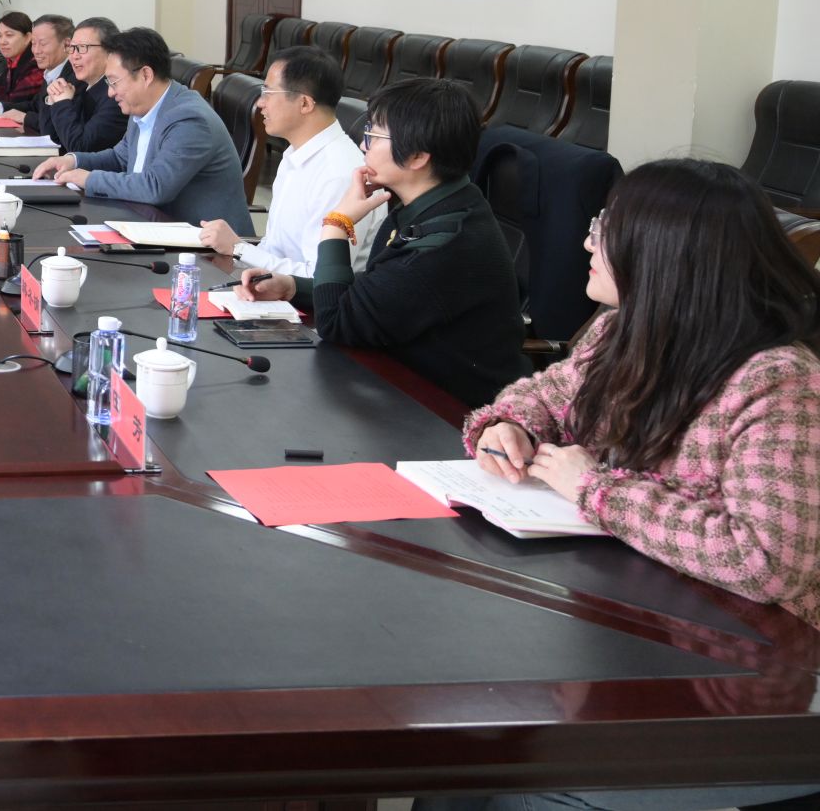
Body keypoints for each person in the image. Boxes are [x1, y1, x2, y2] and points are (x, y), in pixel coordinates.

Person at [413, 173, 820, 811]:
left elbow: (766, 561)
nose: (587, 242)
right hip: (633, 616)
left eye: (604, 229)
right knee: (464, 736)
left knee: (512, 772)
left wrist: (598, 491)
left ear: (663, 256)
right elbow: (542, 393)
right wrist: (509, 426)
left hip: (746, 680)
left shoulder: (777, 382)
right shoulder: (624, 331)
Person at [240, 77, 527, 407]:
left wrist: (336, 225)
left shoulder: (440, 246)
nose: (364, 147)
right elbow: (378, 287)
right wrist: (293, 287)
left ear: (417, 156)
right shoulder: (445, 201)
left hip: (447, 411)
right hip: (398, 380)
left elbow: (336, 323)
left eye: (373, 136)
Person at [33, 27, 252, 233]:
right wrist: (73, 161)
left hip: (207, 246)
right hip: (154, 225)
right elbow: (120, 158)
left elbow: (155, 187)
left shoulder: (190, 120)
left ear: (146, 75)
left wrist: (89, 179)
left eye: (114, 82)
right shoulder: (143, 107)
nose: (110, 93)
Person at [201, 47, 378, 282]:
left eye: (268, 93)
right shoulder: (296, 152)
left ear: (304, 103)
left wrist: (239, 248)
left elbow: (318, 278)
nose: (260, 103)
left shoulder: (340, 175)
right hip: (269, 287)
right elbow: (275, 248)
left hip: (306, 302)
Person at [39, 16, 125, 153]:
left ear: (110, 51)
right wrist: (53, 100)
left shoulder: (116, 96)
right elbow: (50, 140)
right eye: (72, 48)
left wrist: (62, 103)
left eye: (82, 48)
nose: (74, 56)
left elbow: (80, 148)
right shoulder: (77, 84)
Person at [0, 13, 70, 128]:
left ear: (67, 45)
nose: (36, 51)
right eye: (34, 44)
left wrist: (26, 118)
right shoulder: (49, 72)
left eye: (43, 44)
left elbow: (62, 126)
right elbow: (35, 106)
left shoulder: (75, 77)